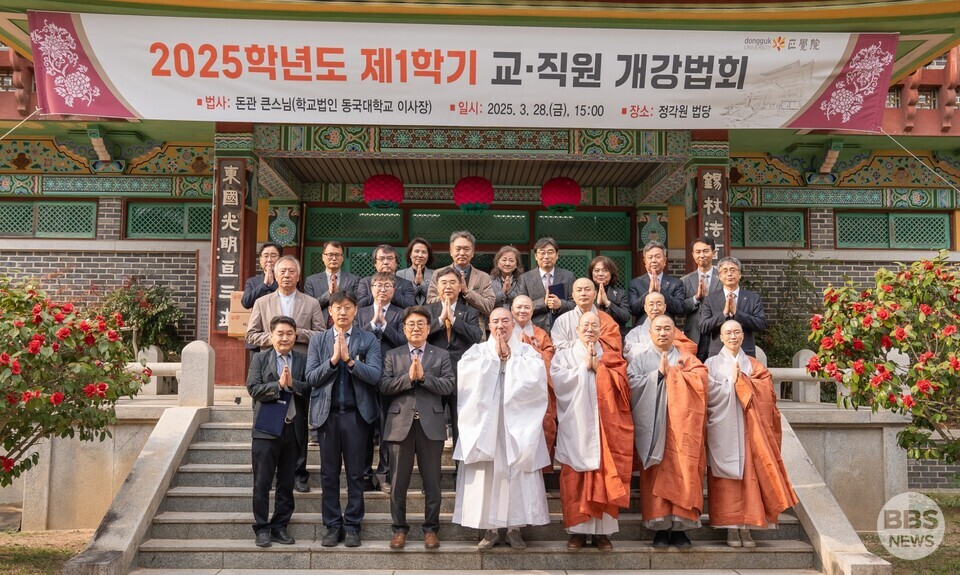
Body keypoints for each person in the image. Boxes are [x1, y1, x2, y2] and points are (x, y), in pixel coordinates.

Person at [453, 308, 550, 550]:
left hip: (517, 426)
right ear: (488, 326)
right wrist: (494, 360)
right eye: (495, 321)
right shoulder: (477, 352)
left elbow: (537, 380)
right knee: (488, 474)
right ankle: (491, 529)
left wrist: (512, 361)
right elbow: (466, 380)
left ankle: (516, 528)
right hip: (487, 426)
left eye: (505, 320)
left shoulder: (527, 352)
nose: (500, 325)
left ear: (513, 324)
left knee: (516, 472)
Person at [705, 320, 798, 548]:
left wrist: (745, 382)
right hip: (724, 428)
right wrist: (732, 382)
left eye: (737, 332)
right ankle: (730, 529)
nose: (733, 336)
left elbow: (767, 395)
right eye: (728, 333)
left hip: (750, 430)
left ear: (743, 336)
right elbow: (707, 393)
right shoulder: (711, 363)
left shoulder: (754, 365)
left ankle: (747, 528)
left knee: (751, 477)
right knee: (726, 480)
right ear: (721, 337)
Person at [550, 312, 634, 550]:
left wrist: (601, 369)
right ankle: (576, 531)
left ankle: (602, 534)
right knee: (574, 478)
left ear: (601, 330)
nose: (589, 329)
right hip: (576, 425)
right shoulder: (564, 356)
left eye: (594, 325)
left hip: (604, 425)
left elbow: (624, 388)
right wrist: (583, 368)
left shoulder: (611, 356)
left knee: (604, 475)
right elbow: (558, 382)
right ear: (577, 330)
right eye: (585, 325)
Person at [305, 291, 382, 548]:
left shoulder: (368, 339)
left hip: (356, 416)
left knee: (356, 474)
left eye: (348, 307)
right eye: (337, 307)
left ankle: (352, 525)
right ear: (330, 311)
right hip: (327, 416)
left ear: (356, 310)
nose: (342, 312)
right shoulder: (319, 340)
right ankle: (332, 525)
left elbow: (375, 375)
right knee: (328, 474)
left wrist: (349, 361)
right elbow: (311, 378)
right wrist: (332, 361)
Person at [627, 315, 708, 549]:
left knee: (684, 473)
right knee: (655, 476)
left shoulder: (687, 358)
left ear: (675, 333)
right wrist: (658, 376)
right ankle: (660, 529)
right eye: (658, 329)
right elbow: (631, 384)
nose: (662, 333)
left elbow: (702, 379)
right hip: (654, 427)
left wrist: (676, 375)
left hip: (682, 429)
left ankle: (681, 529)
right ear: (650, 333)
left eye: (667, 329)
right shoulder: (640, 360)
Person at [380, 306, 456, 549]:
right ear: (404, 329)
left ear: (428, 328)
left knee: (432, 482)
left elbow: (448, 386)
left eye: (421, 324)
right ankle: (399, 529)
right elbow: (384, 386)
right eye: (411, 324)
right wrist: (409, 378)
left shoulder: (441, 355)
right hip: (399, 425)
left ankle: (431, 529)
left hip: (430, 425)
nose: (416, 328)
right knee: (398, 482)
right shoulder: (392, 355)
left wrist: (424, 378)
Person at [246, 255, 324, 493]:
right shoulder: (262, 302)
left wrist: (295, 334)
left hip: (299, 365)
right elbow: (251, 335)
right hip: (269, 368)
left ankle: (298, 474)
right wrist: (275, 337)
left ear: (298, 276)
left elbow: (321, 334)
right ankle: (268, 474)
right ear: (275, 275)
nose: (287, 275)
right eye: (283, 271)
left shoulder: (311, 303)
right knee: (267, 419)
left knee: (298, 423)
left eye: (292, 271)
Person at [247, 316, 308, 548]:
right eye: (280, 333)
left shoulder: (302, 359)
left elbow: (310, 388)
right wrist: (279, 386)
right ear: (271, 336)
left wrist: (292, 384)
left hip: (293, 429)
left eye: (289, 334)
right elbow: (253, 388)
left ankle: (280, 526)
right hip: (266, 429)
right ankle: (262, 528)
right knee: (262, 482)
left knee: (286, 482)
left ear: (296, 336)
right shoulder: (260, 359)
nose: (284, 338)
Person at [355, 271, 407, 492]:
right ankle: (365, 475)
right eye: (378, 285)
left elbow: (404, 342)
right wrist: (372, 325)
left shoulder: (401, 314)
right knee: (365, 427)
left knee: (388, 426)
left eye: (387, 286)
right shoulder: (361, 313)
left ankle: (384, 474)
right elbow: (354, 341)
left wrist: (385, 325)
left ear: (394, 290)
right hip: (365, 375)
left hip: (391, 375)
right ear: (371, 288)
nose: (382, 289)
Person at [424, 267, 483, 448]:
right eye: (444, 283)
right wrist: (440, 320)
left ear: (460, 287)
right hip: (434, 374)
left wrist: (454, 320)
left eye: (452, 282)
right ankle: (433, 465)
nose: (448, 286)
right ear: (437, 287)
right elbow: (419, 336)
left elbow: (476, 336)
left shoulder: (470, 312)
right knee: (433, 424)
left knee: (461, 424)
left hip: (461, 375)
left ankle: (460, 465)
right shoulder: (427, 311)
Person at [511, 294, 558, 466]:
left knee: (541, 427)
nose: (522, 311)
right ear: (511, 310)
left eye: (527, 307)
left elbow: (549, 359)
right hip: (512, 391)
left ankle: (540, 471)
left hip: (536, 391)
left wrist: (530, 348)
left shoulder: (541, 334)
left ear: (532, 311)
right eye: (519, 307)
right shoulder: (505, 331)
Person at [427, 230, 495, 334]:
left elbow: (489, 307)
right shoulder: (438, 274)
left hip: (473, 331)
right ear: (451, 251)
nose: (462, 253)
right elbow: (430, 301)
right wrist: (450, 294)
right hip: (443, 329)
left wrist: (467, 292)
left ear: (472, 252)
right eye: (458, 249)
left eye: (466, 249)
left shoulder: (483, 277)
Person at [699, 257, 767, 358]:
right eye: (725, 271)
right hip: (718, 354)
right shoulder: (710, 299)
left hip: (745, 353)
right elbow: (703, 327)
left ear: (739, 274)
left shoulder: (753, 298)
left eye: (733, 270)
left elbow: (761, 324)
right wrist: (724, 314)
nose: (729, 274)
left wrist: (737, 313)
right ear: (720, 276)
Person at [515, 237, 575, 331]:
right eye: (542, 252)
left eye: (550, 252)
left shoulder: (568, 276)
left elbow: (576, 304)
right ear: (536, 256)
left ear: (557, 255)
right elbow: (519, 308)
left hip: (563, 329)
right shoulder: (525, 278)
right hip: (534, 330)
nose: (546, 256)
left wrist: (561, 304)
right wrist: (543, 303)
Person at [550, 278, 622, 354]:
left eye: (587, 290)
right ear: (573, 296)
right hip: (570, 361)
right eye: (579, 290)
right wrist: (584, 343)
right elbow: (557, 347)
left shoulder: (606, 320)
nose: (583, 293)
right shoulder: (562, 321)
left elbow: (613, 348)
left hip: (600, 360)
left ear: (595, 294)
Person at [624, 292, 697, 363]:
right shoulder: (635, 333)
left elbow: (689, 350)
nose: (655, 308)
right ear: (645, 308)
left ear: (665, 307)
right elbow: (629, 352)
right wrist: (659, 348)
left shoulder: (673, 331)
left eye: (659, 304)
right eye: (651, 304)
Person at [681, 237, 721, 361]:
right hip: (694, 334)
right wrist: (695, 298)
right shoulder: (685, 280)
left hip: (717, 333)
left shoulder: (723, 278)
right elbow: (680, 309)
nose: (702, 255)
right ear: (693, 254)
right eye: (698, 252)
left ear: (714, 253)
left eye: (705, 251)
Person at [304, 240, 361, 327]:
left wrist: (339, 294)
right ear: (323, 257)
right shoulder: (311, 281)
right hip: (319, 327)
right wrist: (329, 294)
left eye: (337, 255)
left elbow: (356, 305)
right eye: (330, 255)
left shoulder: (354, 280)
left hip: (346, 326)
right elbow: (309, 307)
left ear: (342, 258)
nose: (334, 258)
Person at [628, 240, 686, 324]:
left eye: (657, 257)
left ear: (665, 260)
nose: (654, 260)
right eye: (650, 257)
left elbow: (680, 309)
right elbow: (633, 309)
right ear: (645, 262)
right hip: (643, 328)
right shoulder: (635, 283)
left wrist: (661, 291)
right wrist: (648, 292)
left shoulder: (676, 283)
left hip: (667, 328)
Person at [241, 242, 281, 356]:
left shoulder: (286, 280)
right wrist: (264, 285)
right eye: (266, 256)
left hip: (281, 336)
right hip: (257, 338)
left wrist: (273, 284)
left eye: (273, 255)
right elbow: (246, 302)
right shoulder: (252, 281)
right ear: (260, 260)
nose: (269, 259)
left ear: (280, 259)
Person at [356, 245, 416, 309]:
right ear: (375, 263)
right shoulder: (365, 282)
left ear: (396, 262)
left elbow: (410, 307)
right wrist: (378, 292)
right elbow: (359, 305)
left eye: (390, 258)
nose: (386, 262)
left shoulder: (406, 284)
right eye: (381, 259)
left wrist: (390, 291)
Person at [588, 255, 630, 333]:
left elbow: (626, 317)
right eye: (597, 270)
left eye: (605, 270)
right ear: (591, 273)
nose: (600, 274)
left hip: (615, 334)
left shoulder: (620, 293)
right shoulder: (586, 292)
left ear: (611, 273)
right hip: (591, 333)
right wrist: (597, 304)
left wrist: (608, 303)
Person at [396, 237, 434, 305]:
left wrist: (422, 284)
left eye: (424, 252)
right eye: (416, 251)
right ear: (410, 254)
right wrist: (415, 284)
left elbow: (435, 297)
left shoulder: (435, 274)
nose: (420, 255)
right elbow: (401, 298)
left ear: (428, 256)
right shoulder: (400, 274)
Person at [490, 245, 524, 310]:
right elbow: (487, 302)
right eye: (504, 260)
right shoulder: (489, 280)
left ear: (516, 265)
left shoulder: (522, 280)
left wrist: (509, 291)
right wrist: (502, 292)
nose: (507, 263)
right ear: (497, 263)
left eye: (511, 260)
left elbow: (523, 301)